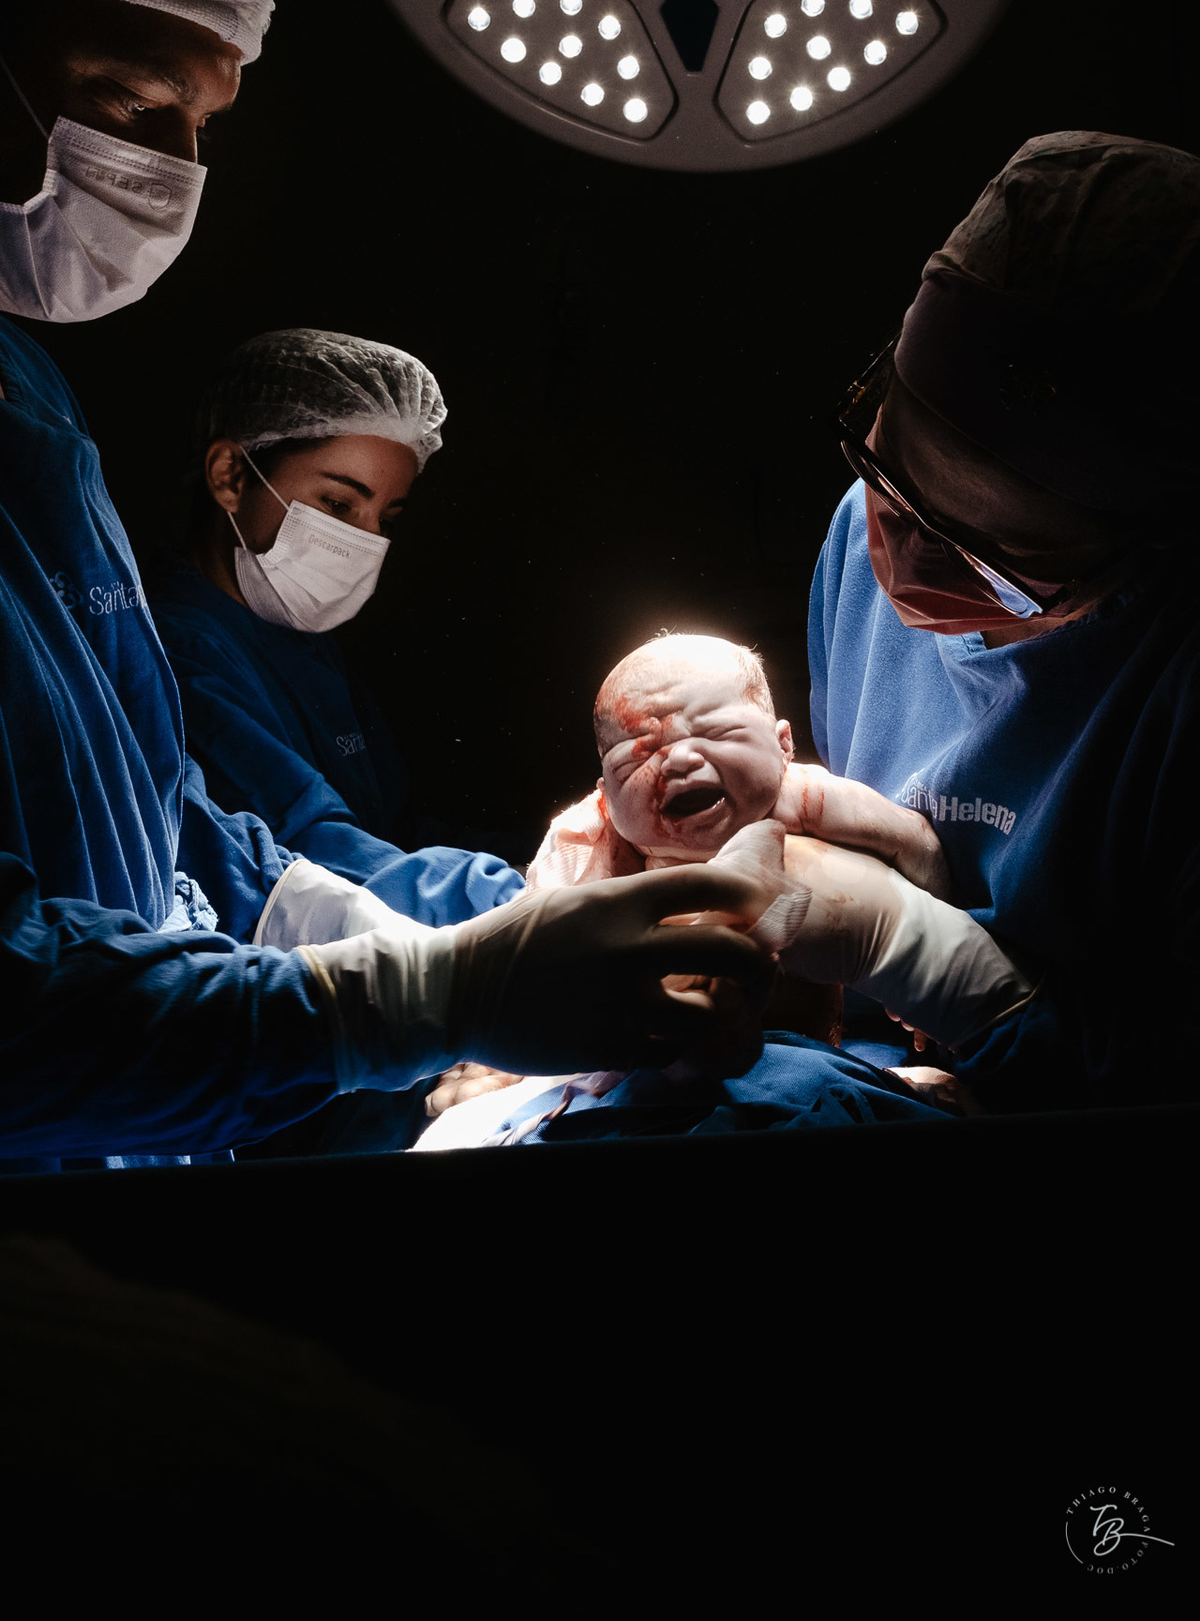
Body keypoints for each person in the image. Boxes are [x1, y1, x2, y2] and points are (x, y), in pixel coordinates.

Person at [0, 0, 783, 1172]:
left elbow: (166, 821)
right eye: (130, 100)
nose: (175, 170)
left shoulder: (26, 402)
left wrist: (491, 928)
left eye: (203, 126)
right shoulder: (200, 635)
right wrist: (435, 995)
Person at [793, 132, 1200, 1110]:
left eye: (993, 565)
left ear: (1145, 553)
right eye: (889, 480)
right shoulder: (854, 541)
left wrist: (948, 971)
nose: (902, 570)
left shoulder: (1174, 679)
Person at [417, 635, 967, 1147]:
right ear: (605, 793)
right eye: (638, 753)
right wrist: (504, 1057)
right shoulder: (590, 840)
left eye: (717, 733)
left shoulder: (808, 801)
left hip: (806, 1048)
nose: (679, 759)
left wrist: (926, 979)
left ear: (783, 746)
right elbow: (533, 962)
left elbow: (917, 844)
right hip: (642, 1061)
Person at [148, 327, 526, 928]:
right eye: (338, 505)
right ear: (231, 476)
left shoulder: (301, 643)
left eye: (386, 518)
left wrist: (555, 857)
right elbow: (317, 850)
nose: (365, 541)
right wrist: (521, 902)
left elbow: (387, 831)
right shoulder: (177, 653)